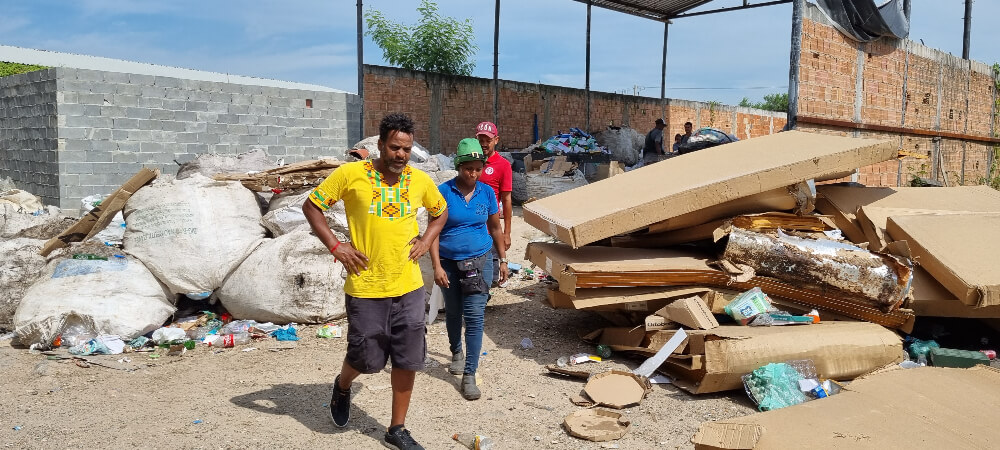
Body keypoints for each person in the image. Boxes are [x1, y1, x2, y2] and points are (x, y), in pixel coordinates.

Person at [303, 112, 447, 450]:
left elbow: (440, 211)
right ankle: (342, 384)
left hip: (409, 286)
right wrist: (336, 246)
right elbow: (312, 207)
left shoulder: (420, 180)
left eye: (407, 149)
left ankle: (397, 428)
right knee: (367, 359)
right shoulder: (352, 174)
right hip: (366, 286)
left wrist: (426, 240)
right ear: (381, 145)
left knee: (408, 356)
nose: (401, 155)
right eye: (395, 147)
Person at [430, 138, 509, 401]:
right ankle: (456, 351)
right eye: (467, 169)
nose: (472, 174)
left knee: (475, 318)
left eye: (477, 168)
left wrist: (503, 260)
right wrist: (437, 266)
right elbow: (434, 232)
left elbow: (495, 228)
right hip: (450, 263)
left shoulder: (487, 192)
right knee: (454, 311)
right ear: (458, 167)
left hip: (480, 260)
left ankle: (469, 374)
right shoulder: (442, 192)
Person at [474, 121, 512, 287]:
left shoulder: (503, 166)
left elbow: (507, 200)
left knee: (490, 275)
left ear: (496, 140)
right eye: (480, 140)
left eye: (487, 140)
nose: (483, 144)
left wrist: (507, 233)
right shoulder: (472, 163)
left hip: (491, 229)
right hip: (472, 227)